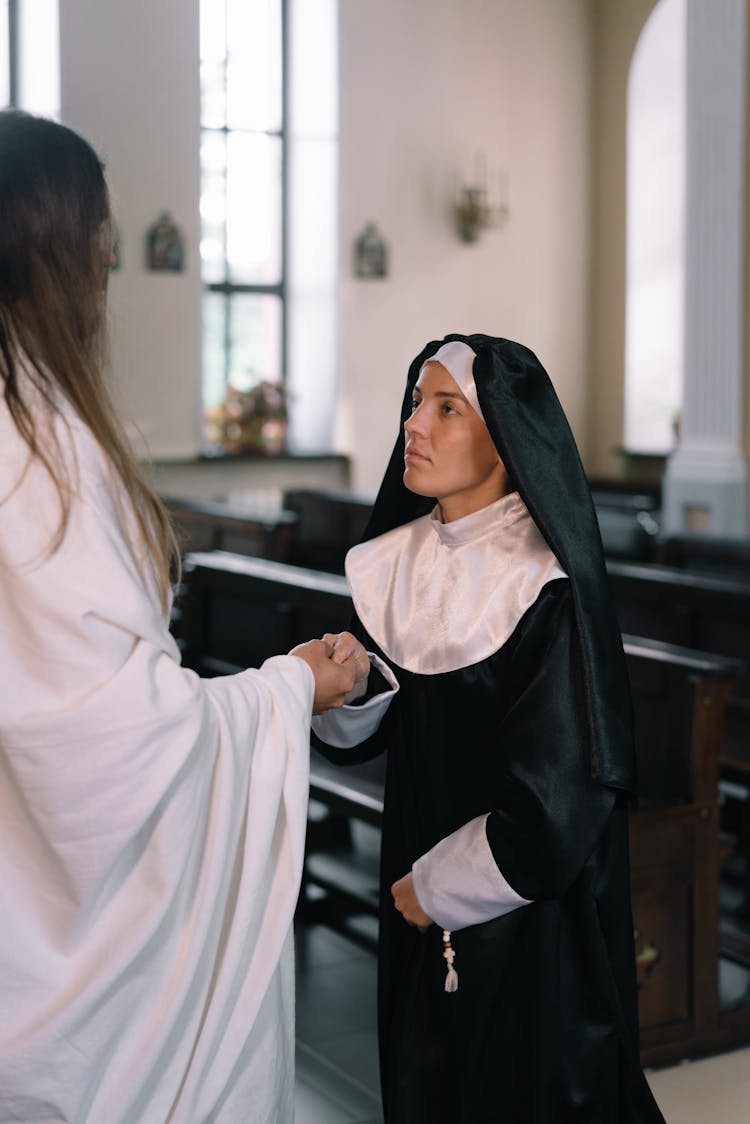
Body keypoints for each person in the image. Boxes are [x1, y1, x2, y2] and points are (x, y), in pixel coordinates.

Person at [0, 109, 367, 1122]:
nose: (112, 265)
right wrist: (291, 684)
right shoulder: (44, 453)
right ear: (63, 251)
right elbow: (111, 746)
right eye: (103, 242)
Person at [312, 335, 667, 1122]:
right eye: (415, 403)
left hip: (526, 907)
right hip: (412, 878)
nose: (416, 425)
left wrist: (439, 887)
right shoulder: (392, 561)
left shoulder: (544, 585)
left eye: (447, 408)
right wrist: (350, 681)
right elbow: (390, 719)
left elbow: (566, 796)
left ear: (505, 436)